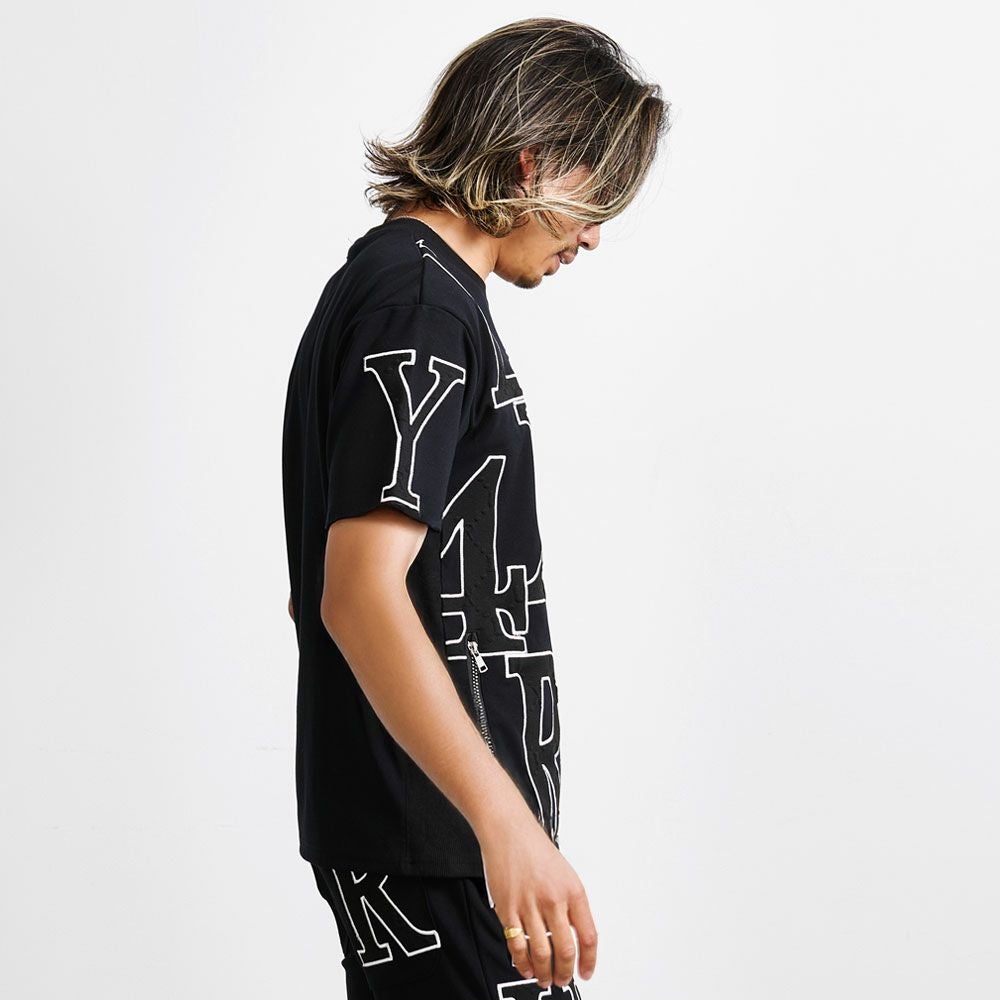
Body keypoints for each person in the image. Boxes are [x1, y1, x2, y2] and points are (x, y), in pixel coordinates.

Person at [281, 17, 669, 998]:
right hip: (438, 843)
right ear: (531, 159)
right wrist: (503, 824)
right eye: (595, 199)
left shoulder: (398, 291)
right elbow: (356, 594)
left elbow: (324, 590)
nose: (594, 235)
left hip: (428, 836)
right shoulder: (417, 307)